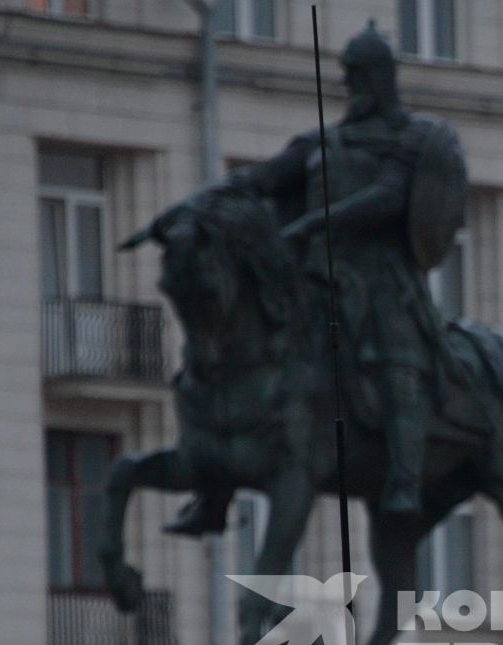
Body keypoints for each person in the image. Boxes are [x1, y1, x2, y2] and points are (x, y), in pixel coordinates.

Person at [164, 21, 455, 529]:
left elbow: (389, 196)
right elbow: (260, 178)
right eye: (346, 77)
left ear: (382, 79)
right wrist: (198, 204)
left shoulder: (414, 137)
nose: (350, 88)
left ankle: (406, 479)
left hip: (383, 278)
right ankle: (213, 489)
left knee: (395, 365)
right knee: (242, 357)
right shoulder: (323, 141)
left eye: (359, 77)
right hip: (317, 278)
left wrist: (317, 221)